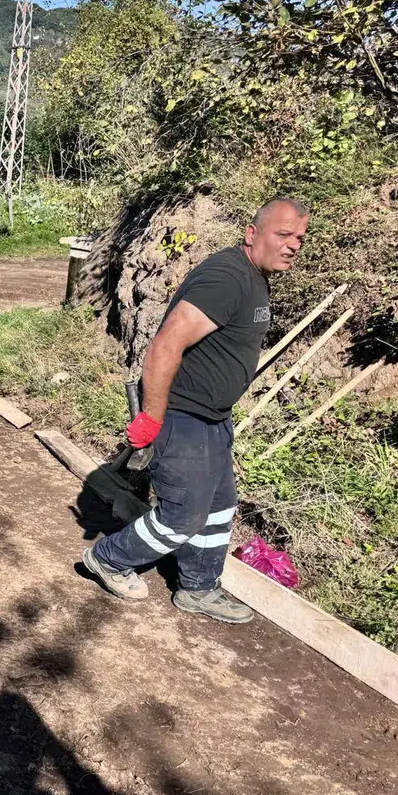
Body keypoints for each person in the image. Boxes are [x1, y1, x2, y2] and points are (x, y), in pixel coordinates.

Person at [82, 198, 310, 624]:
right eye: (283, 234)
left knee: (220, 506)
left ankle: (199, 587)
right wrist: (152, 417)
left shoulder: (255, 277)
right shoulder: (227, 278)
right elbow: (165, 345)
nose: (293, 244)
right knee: (183, 515)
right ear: (252, 234)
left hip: (213, 417)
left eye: (299, 237)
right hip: (183, 414)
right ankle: (109, 558)